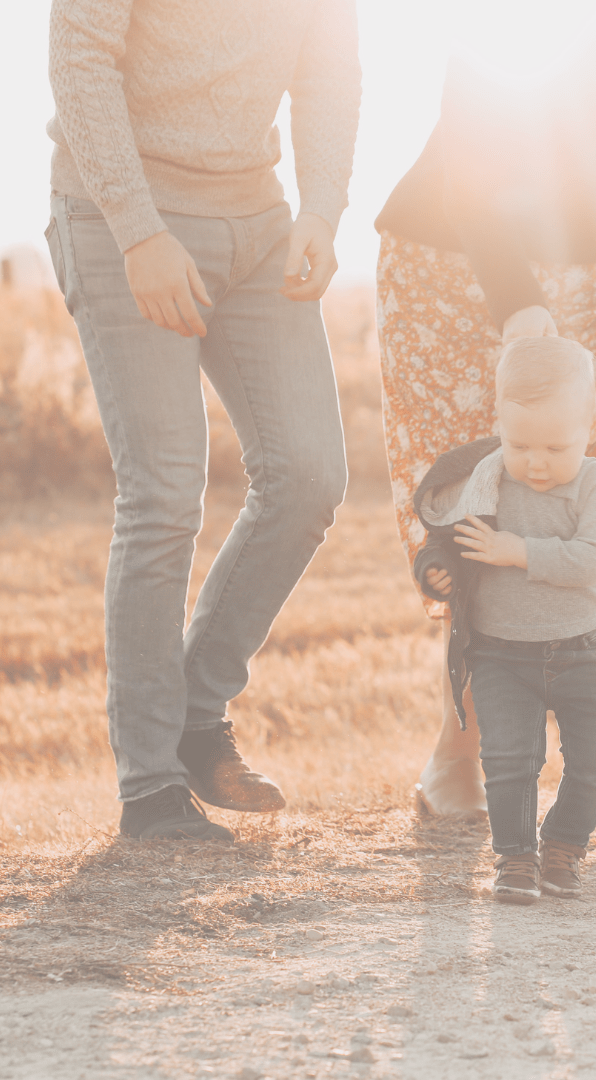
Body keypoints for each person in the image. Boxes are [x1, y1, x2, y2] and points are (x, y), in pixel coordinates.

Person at [375, 0, 596, 816]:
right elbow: (472, 176)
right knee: (485, 502)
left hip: (589, 282)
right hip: (451, 268)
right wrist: (517, 302)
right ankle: (460, 751)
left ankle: (589, 705)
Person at [45, 0, 361, 840]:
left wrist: (323, 210)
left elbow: (329, 68)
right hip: (123, 213)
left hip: (258, 221)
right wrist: (139, 232)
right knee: (165, 494)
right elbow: (80, 59)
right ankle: (150, 788)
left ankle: (193, 714)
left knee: (309, 476)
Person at [413, 337, 596, 903]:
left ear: (591, 425)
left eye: (556, 447)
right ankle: (514, 859)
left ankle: (563, 846)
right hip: (502, 654)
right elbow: (446, 543)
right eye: (519, 443)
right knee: (508, 762)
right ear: (500, 424)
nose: (535, 462)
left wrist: (519, 551)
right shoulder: (485, 480)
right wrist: (437, 572)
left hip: (587, 650)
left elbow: (595, 560)